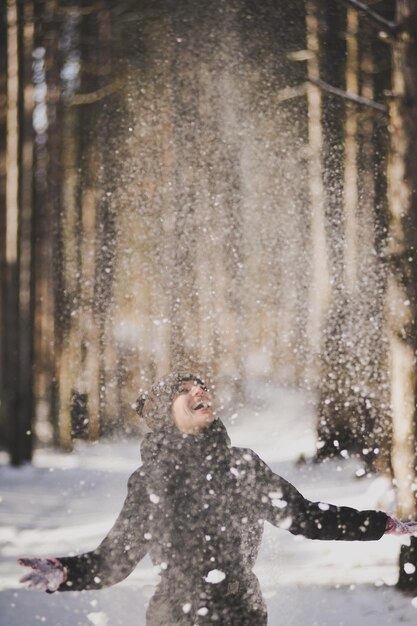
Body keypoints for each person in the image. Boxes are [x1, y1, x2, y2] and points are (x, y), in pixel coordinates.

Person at [18, 372, 417, 625]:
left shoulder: (242, 468)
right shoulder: (151, 481)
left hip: (241, 615)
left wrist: (378, 524)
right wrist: (65, 572)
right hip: (173, 618)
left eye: (201, 385)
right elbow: (115, 561)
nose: (200, 390)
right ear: (165, 413)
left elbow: (307, 518)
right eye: (184, 389)